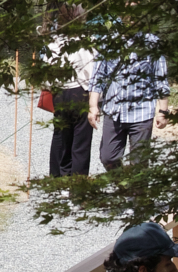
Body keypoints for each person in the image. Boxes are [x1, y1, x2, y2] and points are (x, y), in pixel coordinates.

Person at [93, 49, 166, 171]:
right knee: (108, 158)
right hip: (113, 110)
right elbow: (97, 77)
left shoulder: (152, 43)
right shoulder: (109, 43)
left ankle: (136, 189)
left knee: (139, 162)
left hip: (142, 111)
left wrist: (163, 111)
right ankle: (124, 187)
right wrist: (93, 106)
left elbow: (161, 80)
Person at [47, 42, 96, 178]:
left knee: (61, 137)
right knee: (80, 140)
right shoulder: (83, 40)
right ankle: (78, 182)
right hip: (79, 91)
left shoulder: (53, 41)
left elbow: (45, 74)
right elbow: (92, 71)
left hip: (59, 91)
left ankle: (58, 179)